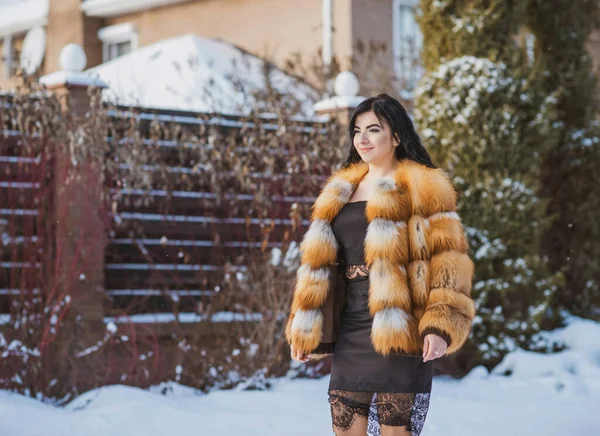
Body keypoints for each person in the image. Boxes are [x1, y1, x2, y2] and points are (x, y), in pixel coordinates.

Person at [285, 94, 475, 436]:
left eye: (374, 129)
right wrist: (305, 324)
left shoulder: (424, 187)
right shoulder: (338, 192)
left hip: (400, 328)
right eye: (357, 130)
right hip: (351, 330)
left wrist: (441, 324)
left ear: (397, 136)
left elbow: (448, 260)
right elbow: (318, 266)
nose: (363, 139)